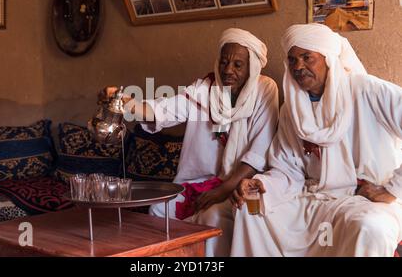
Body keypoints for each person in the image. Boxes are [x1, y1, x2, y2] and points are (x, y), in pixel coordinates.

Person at [231, 23, 402, 257]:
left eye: (307, 57)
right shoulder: (291, 110)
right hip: (314, 198)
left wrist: (393, 189)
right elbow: (288, 169)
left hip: (366, 201)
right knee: (250, 208)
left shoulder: (367, 90)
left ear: (329, 59)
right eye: (292, 60)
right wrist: (263, 185)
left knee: (369, 228)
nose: (298, 66)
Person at [104, 28, 279, 256]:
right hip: (198, 182)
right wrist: (124, 101)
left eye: (238, 65)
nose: (228, 70)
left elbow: (259, 150)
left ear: (253, 67)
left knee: (213, 215)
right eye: (224, 62)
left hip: (238, 184)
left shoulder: (265, 89)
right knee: (159, 208)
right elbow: (165, 111)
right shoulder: (205, 88)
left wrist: (223, 189)